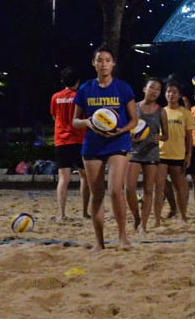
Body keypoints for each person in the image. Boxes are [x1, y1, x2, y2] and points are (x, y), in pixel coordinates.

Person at [72, 46, 138, 251]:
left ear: (113, 64)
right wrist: (88, 122)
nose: (103, 64)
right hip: (93, 144)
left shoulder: (123, 88)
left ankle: (122, 237)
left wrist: (119, 131)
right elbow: (74, 121)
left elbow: (134, 120)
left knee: (116, 190)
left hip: (118, 142)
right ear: (94, 63)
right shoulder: (85, 89)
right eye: (99, 60)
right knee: (97, 194)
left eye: (107, 60)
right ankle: (99, 242)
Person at [126, 77, 169, 232]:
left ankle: (143, 225)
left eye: (158, 89)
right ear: (144, 89)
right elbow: (126, 128)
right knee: (129, 189)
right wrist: (129, 136)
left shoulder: (161, 111)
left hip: (152, 154)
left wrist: (160, 138)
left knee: (148, 190)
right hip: (134, 152)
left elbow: (166, 135)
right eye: (152, 88)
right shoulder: (134, 107)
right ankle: (136, 216)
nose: (154, 91)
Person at [49, 66, 89, 220]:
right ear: (78, 81)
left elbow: (54, 116)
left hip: (61, 140)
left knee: (63, 179)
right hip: (79, 140)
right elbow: (83, 118)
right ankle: (85, 212)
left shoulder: (55, 97)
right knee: (84, 177)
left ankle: (61, 213)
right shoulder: (80, 96)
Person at [157, 79, 194, 222]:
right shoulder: (160, 112)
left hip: (178, 154)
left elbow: (189, 137)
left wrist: (189, 154)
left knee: (181, 187)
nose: (170, 94)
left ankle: (183, 215)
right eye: (168, 91)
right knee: (160, 185)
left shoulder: (184, 113)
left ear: (179, 95)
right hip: (160, 153)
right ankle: (170, 209)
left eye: (174, 92)